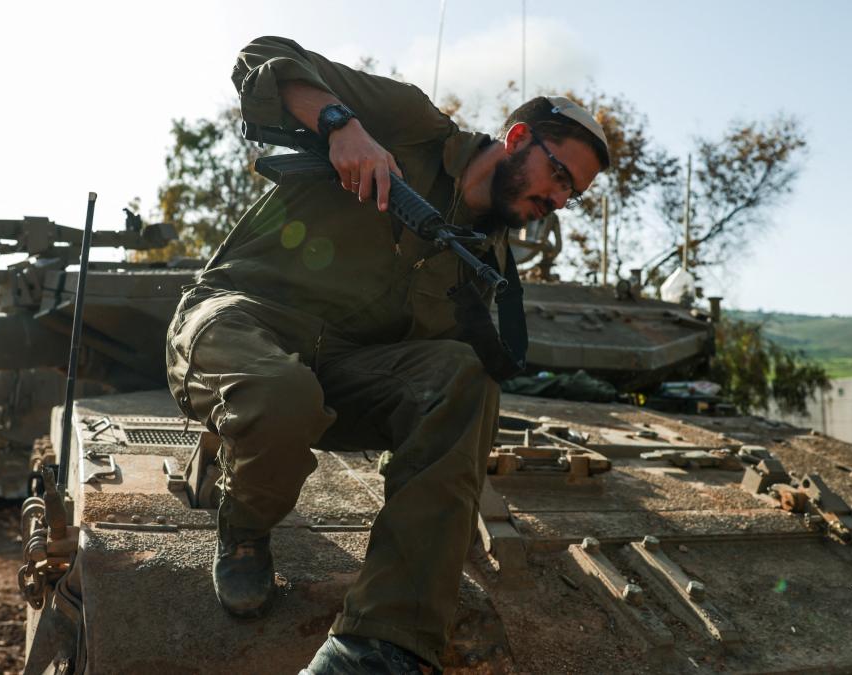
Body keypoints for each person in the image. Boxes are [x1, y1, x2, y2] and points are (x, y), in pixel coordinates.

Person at [164, 35, 609, 673]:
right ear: (517, 140)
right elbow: (262, 56)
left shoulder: (484, 262)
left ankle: (382, 642)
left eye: (573, 195)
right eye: (560, 175)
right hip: (241, 314)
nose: (559, 200)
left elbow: (438, 383)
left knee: (467, 380)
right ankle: (245, 525)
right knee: (281, 394)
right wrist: (342, 127)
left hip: (343, 369)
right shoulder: (411, 123)